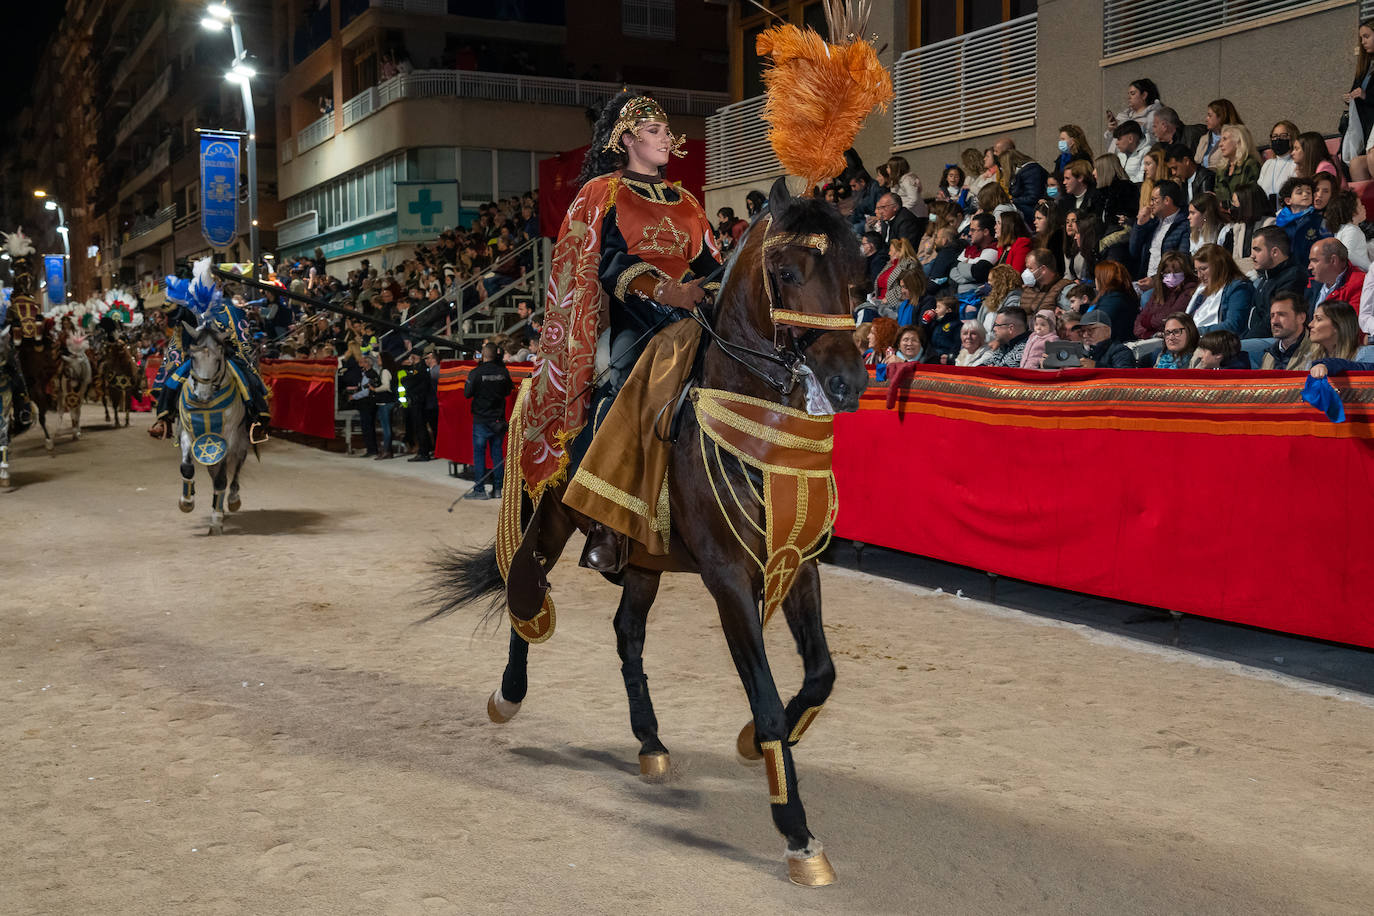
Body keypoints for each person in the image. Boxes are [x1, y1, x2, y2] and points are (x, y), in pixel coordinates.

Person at [462, 341, 513, 500]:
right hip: (498, 419)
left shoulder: (476, 373)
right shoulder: (503, 372)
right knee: (497, 455)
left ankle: (480, 490)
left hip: (481, 419)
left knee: (479, 455)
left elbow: (467, 393)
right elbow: (507, 391)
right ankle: (498, 489)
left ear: (483, 355)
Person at [1247, 226, 1308, 338]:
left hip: (1276, 340)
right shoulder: (1267, 276)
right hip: (1256, 338)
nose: (1252, 256)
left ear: (1275, 252)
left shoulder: (1293, 277)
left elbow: (1272, 322)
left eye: (1257, 250)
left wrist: (1241, 342)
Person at [1129, 179, 1188, 285]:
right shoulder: (1153, 223)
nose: (1150, 204)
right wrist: (1140, 224)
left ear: (1167, 200)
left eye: (1154, 199)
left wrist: (1156, 280)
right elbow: (1133, 251)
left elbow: (1181, 262)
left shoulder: (1184, 225)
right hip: (1145, 279)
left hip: (1167, 284)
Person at [1188, 243, 1255, 336]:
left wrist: (1195, 332)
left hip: (1220, 342)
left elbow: (1232, 326)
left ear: (1219, 266)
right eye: (1197, 271)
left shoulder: (1238, 288)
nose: (1199, 275)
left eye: (1203, 269)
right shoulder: (1201, 289)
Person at [1135, 251, 1198, 339]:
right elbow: (1140, 319)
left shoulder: (1190, 289)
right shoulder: (1159, 290)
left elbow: (1172, 316)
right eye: (1167, 272)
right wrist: (1149, 334)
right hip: (1152, 338)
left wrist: (1148, 322)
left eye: (1177, 272)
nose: (1172, 276)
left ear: (1185, 271)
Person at [1218, 184, 1275, 276]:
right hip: (1241, 276)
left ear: (1247, 204)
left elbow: (1266, 261)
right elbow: (1235, 259)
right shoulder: (1238, 226)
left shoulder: (1269, 224)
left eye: (1235, 203)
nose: (1231, 208)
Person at [1274, 177, 1328, 270]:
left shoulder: (1318, 220)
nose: (1305, 195)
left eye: (1308, 192)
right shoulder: (1281, 221)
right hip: (1286, 270)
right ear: (1288, 200)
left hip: (1310, 271)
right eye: (1299, 192)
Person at [1259, 292, 1322, 370]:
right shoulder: (1269, 356)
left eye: (1281, 315)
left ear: (1301, 318)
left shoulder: (1318, 352)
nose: (1274, 321)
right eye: (1272, 316)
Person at [1345, 20, 1374, 181]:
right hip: (1367, 128)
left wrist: (1365, 96)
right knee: (1355, 164)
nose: (1363, 42)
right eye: (1361, 38)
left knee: (1372, 157)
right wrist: (1351, 98)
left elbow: (1366, 95)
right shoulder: (1366, 66)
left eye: (1366, 36)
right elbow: (1357, 91)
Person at [1307, 238, 1366, 311]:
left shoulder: (1360, 284)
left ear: (1333, 260)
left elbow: (1351, 321)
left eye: (1315, 261)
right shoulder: (1312, 283)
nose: (1309, 267)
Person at [1104, 78, 1163, 151]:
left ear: (1144, 95)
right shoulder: (1123, 116)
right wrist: (1111, 131)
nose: (1128, 97)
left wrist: (1134, 126)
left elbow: (1154, 140)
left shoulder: (1154, 116)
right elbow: (1110, 146)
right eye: (1128, 94)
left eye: (1132, 93)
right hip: (1115, 159)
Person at [1090, 260, 1141, 341]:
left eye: (1097, 276)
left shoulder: (1112, 300)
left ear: (1103, 279)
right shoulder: (1119, 296)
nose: (1095, 279)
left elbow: (1096, 326)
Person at [949, 213, 998, 296]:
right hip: (958, 293)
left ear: (985, 232)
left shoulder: (993, 249)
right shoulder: (970, 248)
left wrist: (961, 265)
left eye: (973, 230)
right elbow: (952, 271)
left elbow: (978, 273)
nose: (969, 233)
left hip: (975, 297)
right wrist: (970, 275)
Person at [1213, 124, 1261, 204]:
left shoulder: (1250, 165)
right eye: (1220, 140)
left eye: (1225, 139)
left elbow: (1249, 196)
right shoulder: (1221, 169)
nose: (1220, 144)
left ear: (1238, 142)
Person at [1326, 190, 1372, 272]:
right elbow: (1347, 253)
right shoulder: (1352, 230)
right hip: (1359, 275)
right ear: (1352, 212)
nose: (1364, 207)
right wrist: (1370, 267)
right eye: (1360, 205)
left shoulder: (1343, 229)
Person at [875, 238, 922, 315]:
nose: (889, 253)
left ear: (899, 251)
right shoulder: (890, 264)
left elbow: (907, 286)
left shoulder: (910, 264)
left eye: (891, 250)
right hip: (880, 301)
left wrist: (888, 298)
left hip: (895, 303)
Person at [1258, 121, 1299, 206]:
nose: (1278, 139)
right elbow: (1259, 190)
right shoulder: (1268, 164)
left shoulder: (1295, 164)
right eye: (1275, 136)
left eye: (1283, 136)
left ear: (1292, 138)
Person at [1195, 98, 1243, 169]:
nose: (1206, 119)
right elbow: (1196, 162)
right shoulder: (1204, 139)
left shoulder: (1236, 137)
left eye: (1210, 116)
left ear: (1221, 117)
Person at [1020, 248, 1071, 313]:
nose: (1026, 272)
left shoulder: (1063, 289)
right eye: (1026, 268)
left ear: (1043, 269)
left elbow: (1071, 317)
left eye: (1030, 268)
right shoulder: (1028, 288)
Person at [978, 265, 1023, 331]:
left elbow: (1006, 330)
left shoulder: (1014, 301)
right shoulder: (990, 299)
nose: (988, 283)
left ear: (1000, 282)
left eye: (991, 280)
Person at [994, 206, 1032, 271]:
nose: (995, 227)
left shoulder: (1022, 247)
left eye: (999, 223)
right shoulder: (1002, 246)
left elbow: (1016, 275)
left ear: (1008, 227)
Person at [925, 300, 962, 364]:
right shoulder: (937, 322)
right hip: (933, 355)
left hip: (945, 357)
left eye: (939, 307)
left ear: (948, 310)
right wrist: (927, 321)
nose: (936, 310)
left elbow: (957, 343)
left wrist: (950, 356)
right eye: (936, 307)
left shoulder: (956, 324)